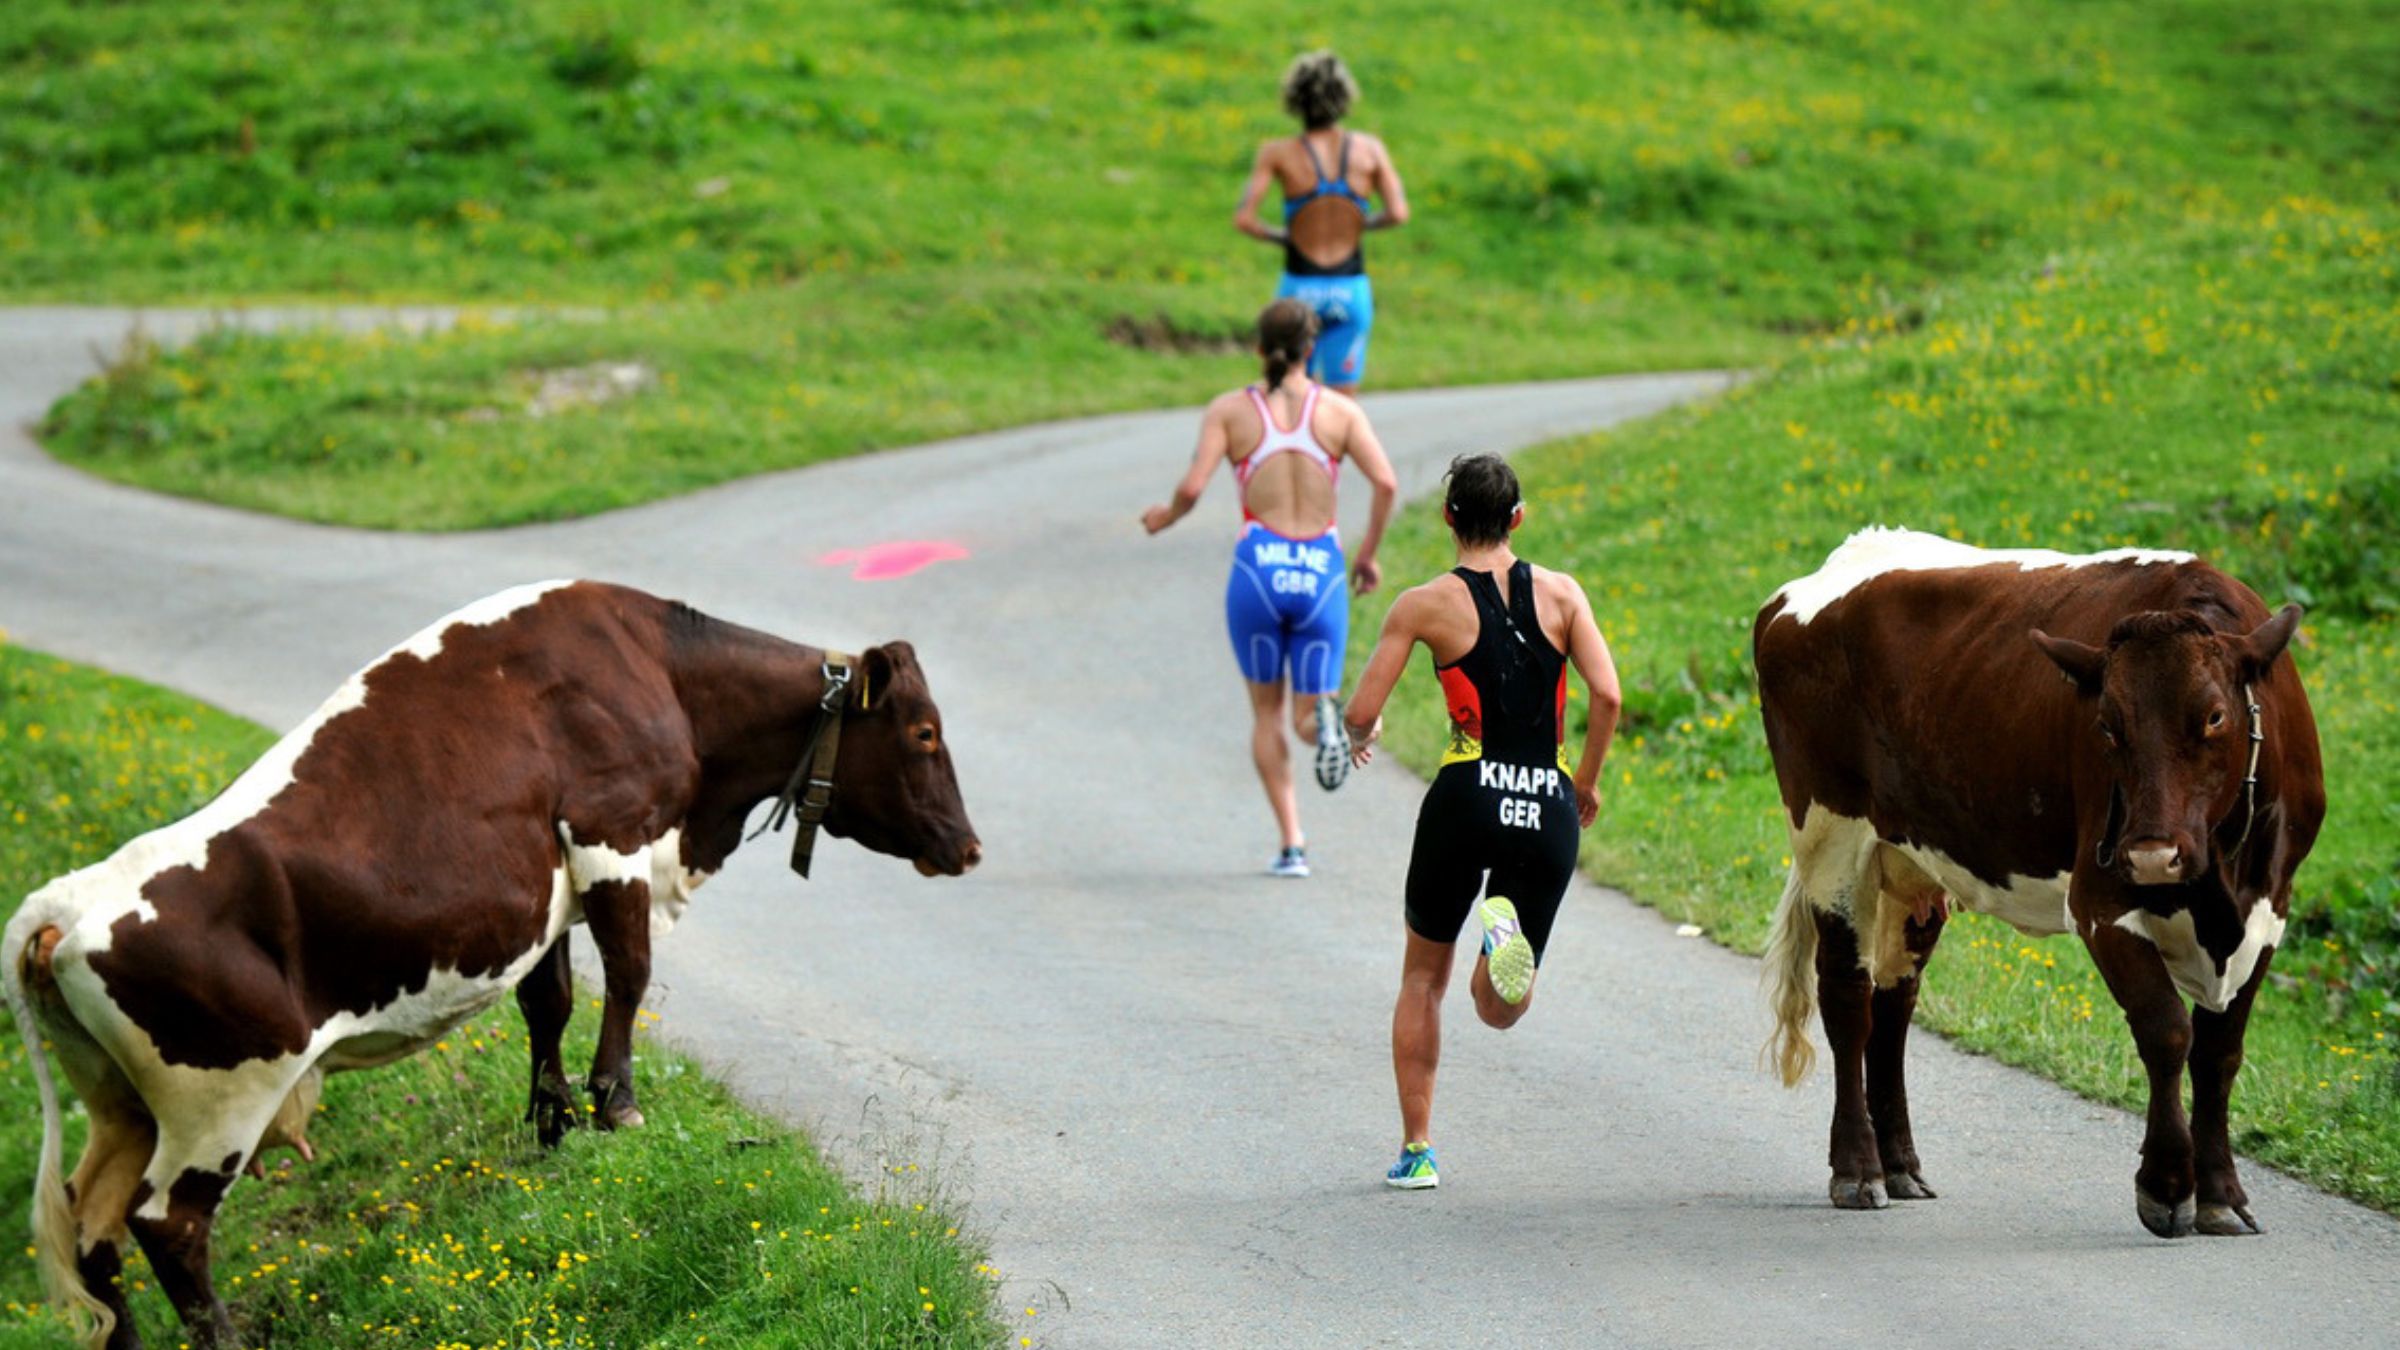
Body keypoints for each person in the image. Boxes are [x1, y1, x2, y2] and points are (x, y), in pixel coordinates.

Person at [1342, 453, 1623, 1188]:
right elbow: (1609, 695)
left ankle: (1418, 1151)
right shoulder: (1564, 596)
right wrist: (1583, 783)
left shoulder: (1422, 604)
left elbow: (1363, 712)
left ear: (1448, 519)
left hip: (1466, 798)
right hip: (1546, 805)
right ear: (1519, 518)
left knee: (1423, 981)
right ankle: (1503, 932)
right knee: (1498, 1008)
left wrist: (1359, 737)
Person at [1143, 299, 1399, 878]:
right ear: (1313, 349)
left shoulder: (1230, 411)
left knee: (1265, 715)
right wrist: (1368, 555)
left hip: (1258, 570)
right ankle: (1345, 724)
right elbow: (1385, 481)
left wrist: (1166, 518)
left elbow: (1190, 486)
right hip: (1319, 570)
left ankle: (1291, 845)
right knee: (1308, 718)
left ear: (1259, 349)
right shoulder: (1339, 412)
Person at [1233, 50, 1410, 394]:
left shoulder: (1277, 153)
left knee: (1291, 405)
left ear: (1294, 99)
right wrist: (1356, 225)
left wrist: (1286, 236)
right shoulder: (1370, 150)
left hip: (1299, 291)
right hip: (1350, 289)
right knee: (1343, 410)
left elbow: (1246, 219)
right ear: (1345, 98)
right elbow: (1398, 213)